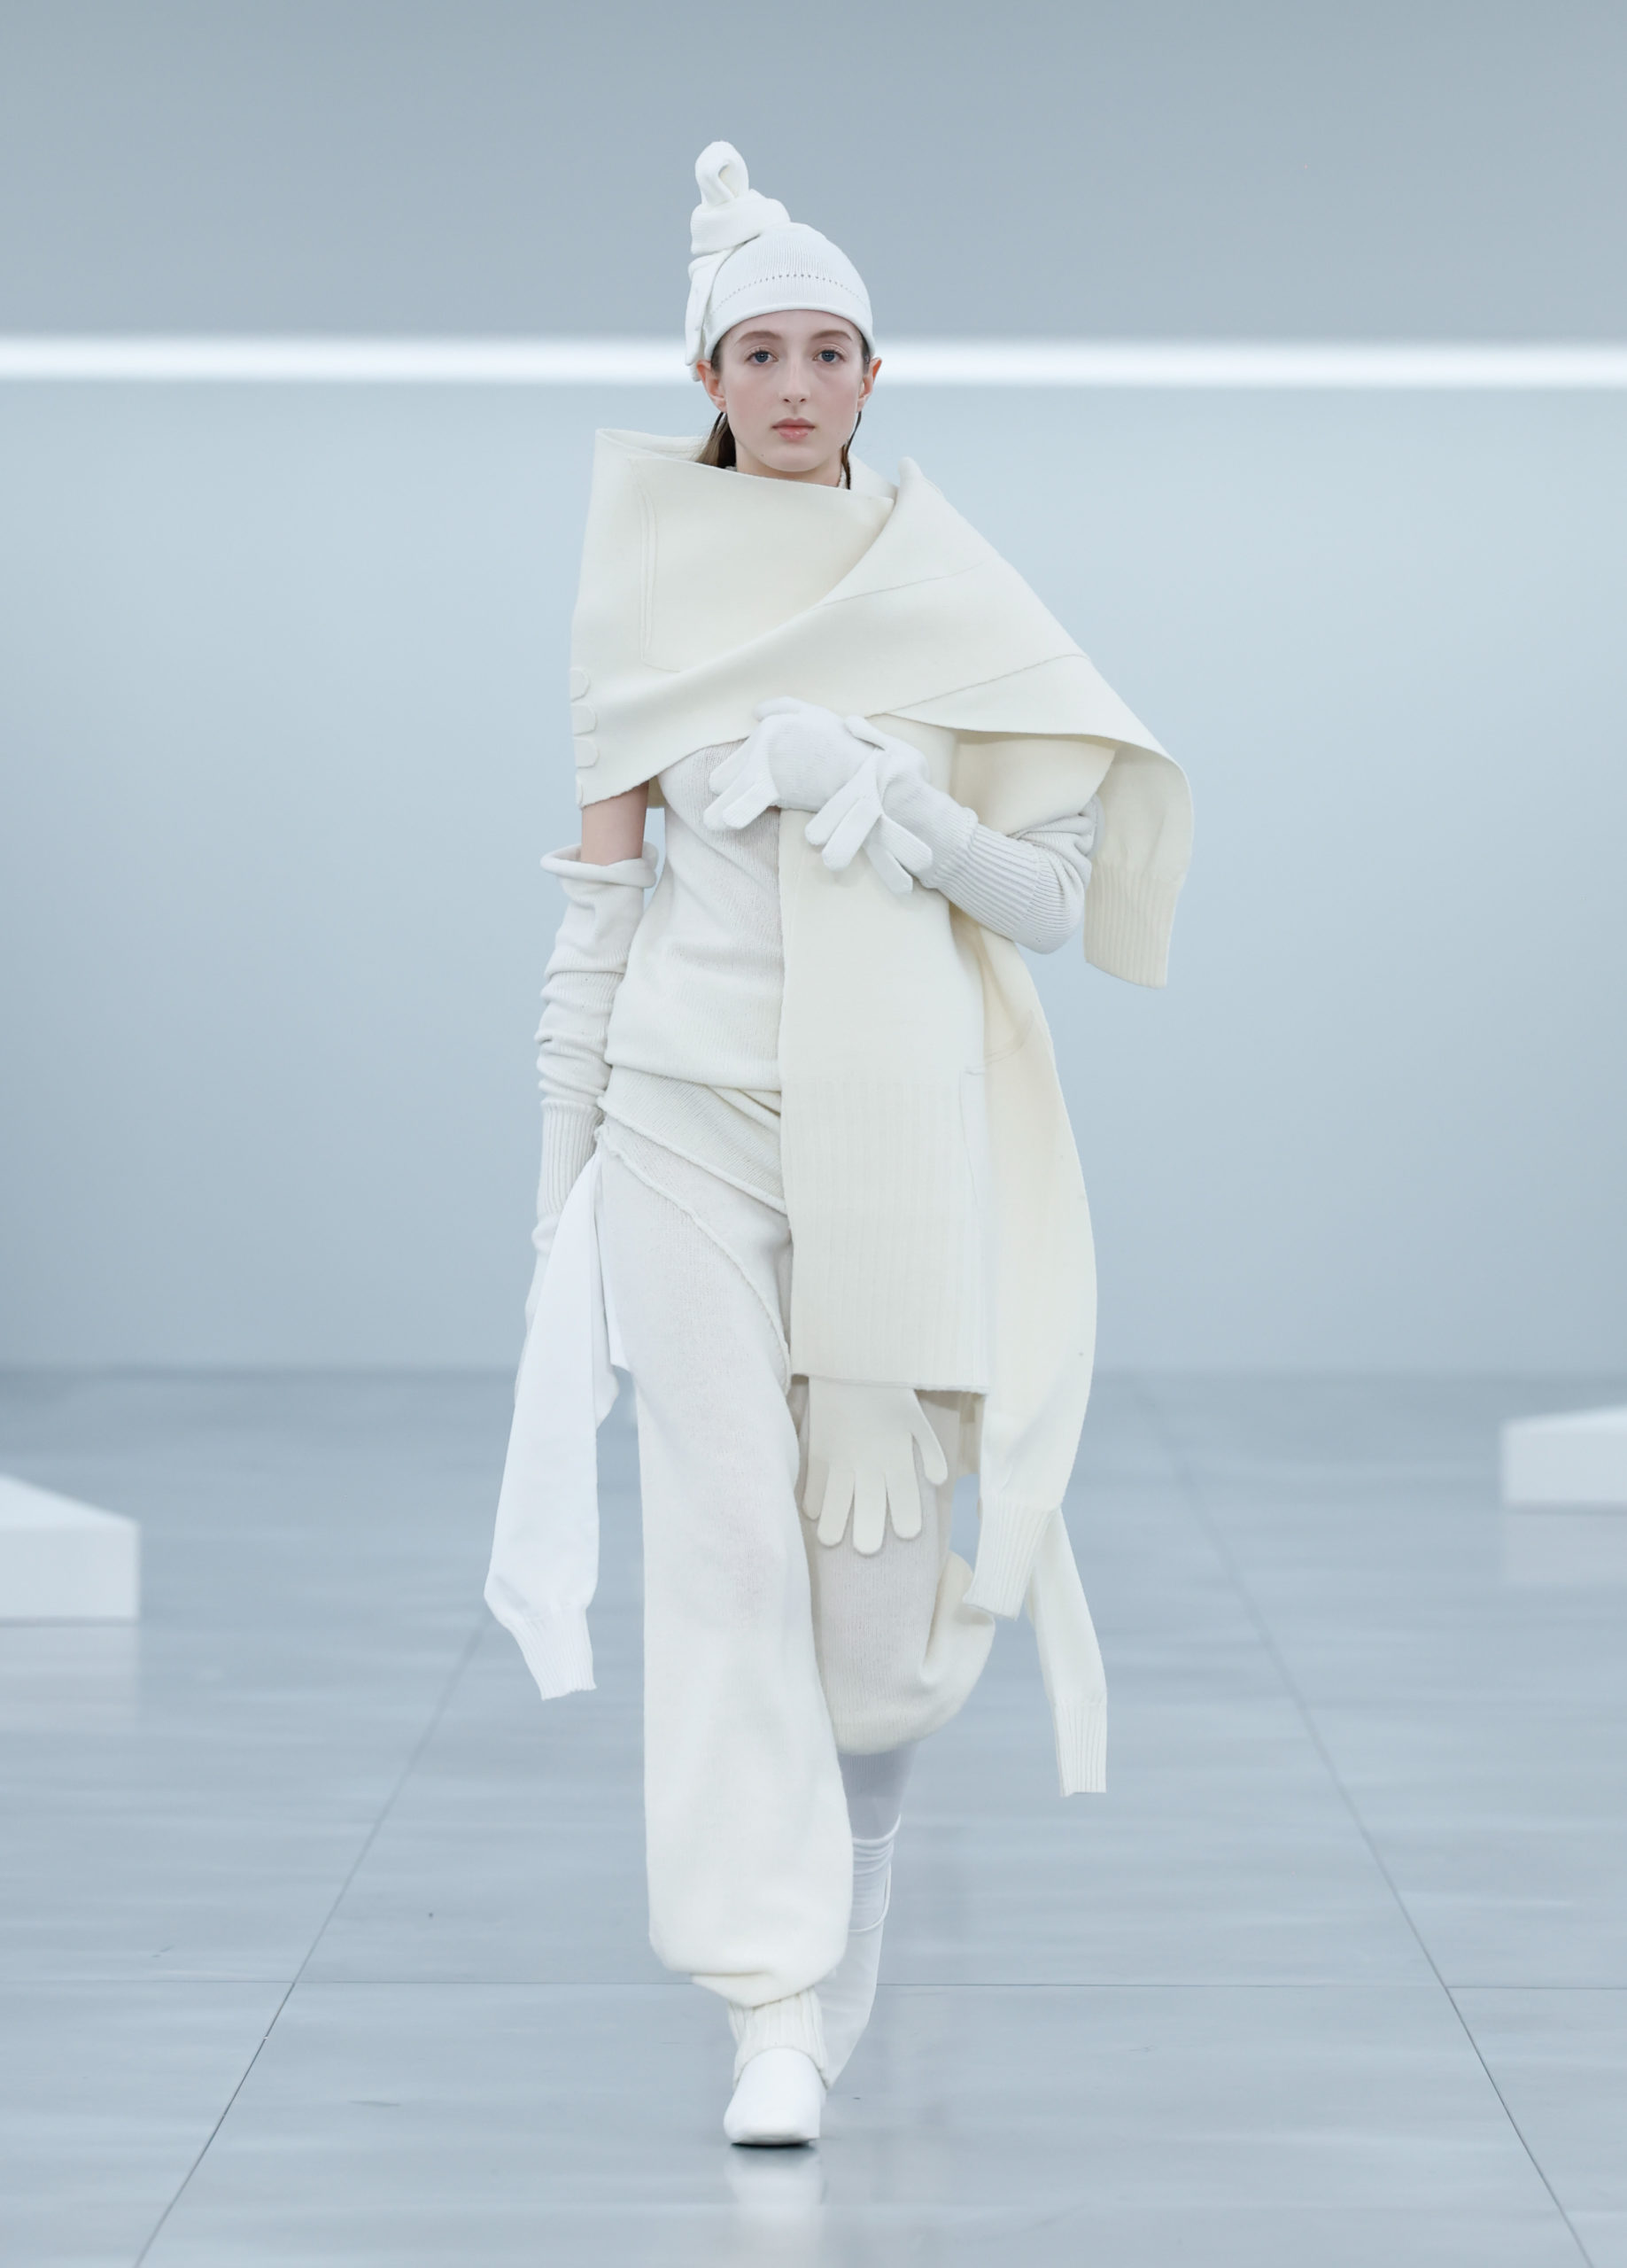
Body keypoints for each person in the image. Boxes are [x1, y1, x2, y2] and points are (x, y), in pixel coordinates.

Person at [486, 141, 1193, 2146]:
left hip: (893, 1153)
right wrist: (556, 1194)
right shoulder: (640, 590)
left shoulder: (952, 599)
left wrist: (902, 803)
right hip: (682, 1126)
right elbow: (596, 909)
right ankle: (768, 1994)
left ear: (874, 375)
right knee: (720, 1548)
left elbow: (1048, 901)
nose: (793, 384)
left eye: (826, 351)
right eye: (758, 352)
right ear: (707, 377)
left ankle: (859, 1853)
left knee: (871, 1614)